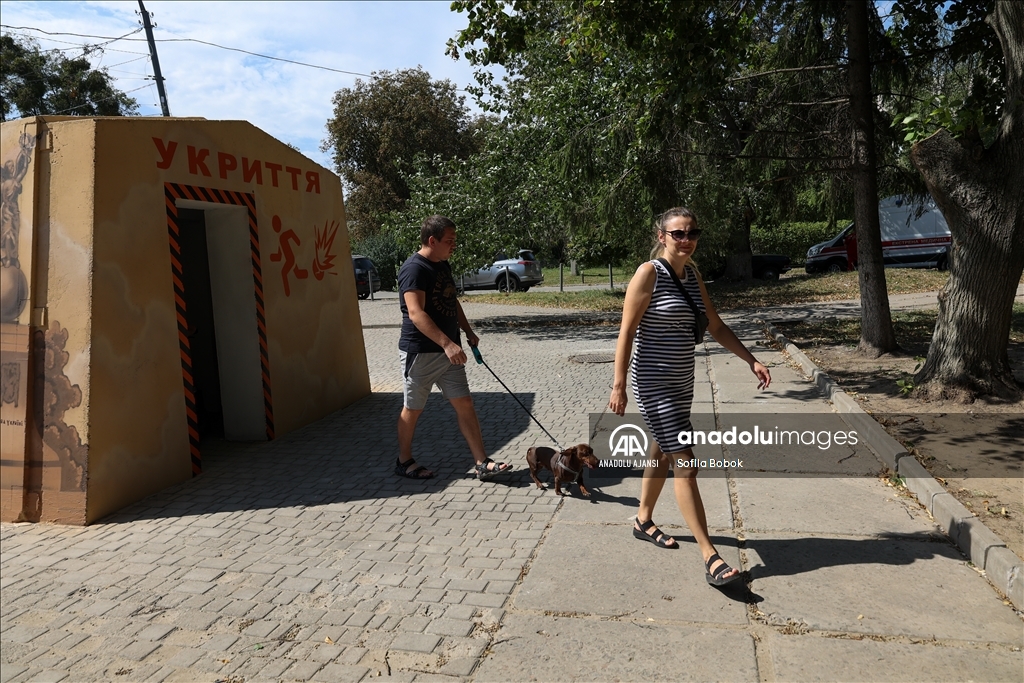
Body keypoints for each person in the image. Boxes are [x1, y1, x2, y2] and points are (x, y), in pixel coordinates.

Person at [608, 207, 771, 587]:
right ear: (662, 236)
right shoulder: (648, 273)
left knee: (660, 450)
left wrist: (751, 359)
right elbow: (626, 332)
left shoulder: (693, 276)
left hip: (682, 384)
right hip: (652, 384)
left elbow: (714, 325)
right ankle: (710, 556)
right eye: (678, 233)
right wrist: (618, 385)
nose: (687, 240)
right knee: (686, 462)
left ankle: (642, 519)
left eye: (693, 233)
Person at [395, 215, 512, 481]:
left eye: (454, 241)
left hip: (450, 351)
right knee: (413, 408)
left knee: (465, 403)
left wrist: (467, 332)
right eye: (449, 241)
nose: (453, 246)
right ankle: (404, 461)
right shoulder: (414, 269)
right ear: (432, 240)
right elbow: (415, 313)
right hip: (421, 352)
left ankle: (482, 462)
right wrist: (447, 344)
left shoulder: (442, 265)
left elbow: (452, 301)